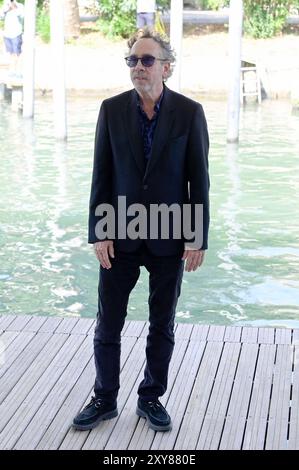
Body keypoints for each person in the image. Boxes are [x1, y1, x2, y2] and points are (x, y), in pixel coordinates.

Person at [73, 28, 210, 433]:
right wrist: (99, 231)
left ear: (166, 67)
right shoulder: (111, 109)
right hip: (119, 232)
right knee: (107, 322)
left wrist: (196, 235)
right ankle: (104, 397)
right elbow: (102, 174)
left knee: (161, 322)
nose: (138, 67)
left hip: (169, 235)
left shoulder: (189, 112)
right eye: (132, 60)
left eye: (147, 60)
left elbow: (198, 180)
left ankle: (151, 398)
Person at [0, 0, 24, 77]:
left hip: (16, 33)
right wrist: (6, 9)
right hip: (7, 34)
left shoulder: (20, 6)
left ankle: (19, 71)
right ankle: (12, 70)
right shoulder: (5, 6)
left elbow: (22, 15)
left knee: (18, 53)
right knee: (11, 53)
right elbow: (1, 16)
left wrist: (14, 6)